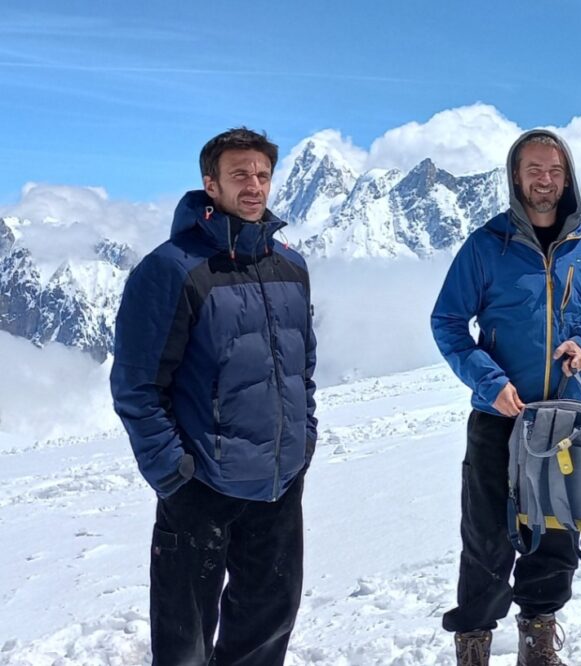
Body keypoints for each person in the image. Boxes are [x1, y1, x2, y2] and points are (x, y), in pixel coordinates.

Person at [110, 127, 317, 665]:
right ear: (211, 183)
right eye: (239, 174)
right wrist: (174, 477)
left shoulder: (291, 267)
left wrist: (302, 442)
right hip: (201, 486)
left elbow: (303, 368)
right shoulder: (171, 269)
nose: (254, 186)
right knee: (185, 644)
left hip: (278, 482)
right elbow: (136, 386)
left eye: (262, 174)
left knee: (266, 629)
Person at [431, 129, 581, 665]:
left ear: (567, 178)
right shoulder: (485, 245)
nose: (545, 181)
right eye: (534, 170)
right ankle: (474, 640)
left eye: (554, 171)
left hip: (564, 419)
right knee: (488, 537)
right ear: (515, 177)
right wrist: (489, 383)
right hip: (499, 418)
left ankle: (539, 634)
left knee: (558, 531)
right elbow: (448, 321)